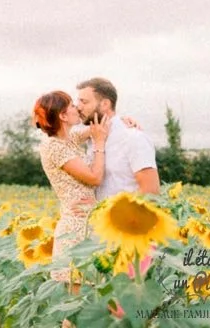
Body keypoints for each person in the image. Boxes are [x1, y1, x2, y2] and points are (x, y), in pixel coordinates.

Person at [34, 90, 109, 284]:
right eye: (73, 106)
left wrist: (126, 120)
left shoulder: (69, 139)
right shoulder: (53, 146)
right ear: (63, 116)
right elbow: (94, 178)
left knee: (89, 300)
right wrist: (99, 144)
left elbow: (101, 126)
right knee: (76, 304)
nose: (78, 108)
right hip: (75, 229)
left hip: (86, 223)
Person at [75, 78, 159, 198]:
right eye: (78, 102)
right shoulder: (92, 137)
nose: (78, 107)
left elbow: (151, 191)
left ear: (105, 104)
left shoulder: (133, 138)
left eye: (84, 102)